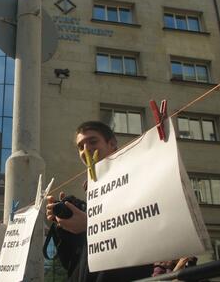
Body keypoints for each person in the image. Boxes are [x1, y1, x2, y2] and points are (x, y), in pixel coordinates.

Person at [46, 121, 153, 282]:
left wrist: (90, 225)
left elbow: (144, 228)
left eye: (93, 141)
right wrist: (64, 228)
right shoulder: (92, 190)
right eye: (80, 146)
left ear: (112, 144)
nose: (86, 149)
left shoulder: (134, 177)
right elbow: (74, 260)